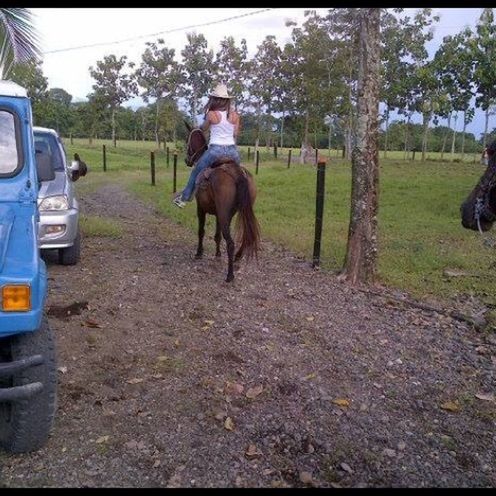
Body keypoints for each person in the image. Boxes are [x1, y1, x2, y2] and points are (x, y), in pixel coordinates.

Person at [173, 83, 241, 208]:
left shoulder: (211, 114)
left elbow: (203, 129)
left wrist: (200, 128)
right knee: (241, 174)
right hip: (233, 151)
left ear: (215, 99)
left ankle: (184, 198)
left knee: (196, 171)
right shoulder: (235, 115)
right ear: (227, 100)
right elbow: (235, 134)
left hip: (215, 151)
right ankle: (241, 199)